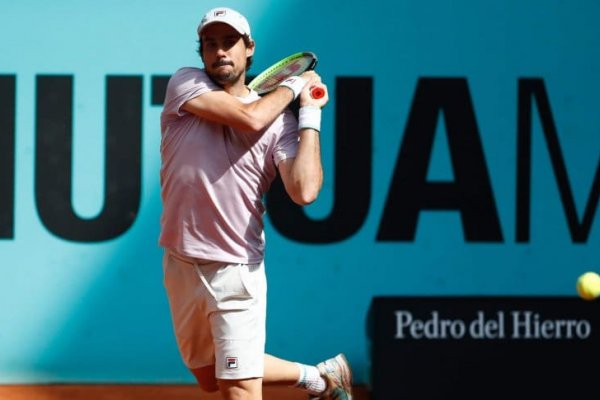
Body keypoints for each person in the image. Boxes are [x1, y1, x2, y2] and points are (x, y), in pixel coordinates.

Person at [158, 6, 353, 400]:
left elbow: (304, 191)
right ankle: (320, 378)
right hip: (180, 262)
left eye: (229, 42)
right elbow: (249, 118)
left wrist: (309, 115)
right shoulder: (186, 83)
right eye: (210, 44)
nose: (220, 52)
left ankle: (317, 379)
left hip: (236, 271)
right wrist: (295, 87)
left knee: (238, 391)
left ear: (249, 49)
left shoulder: (282, 124)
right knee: (210, 376)